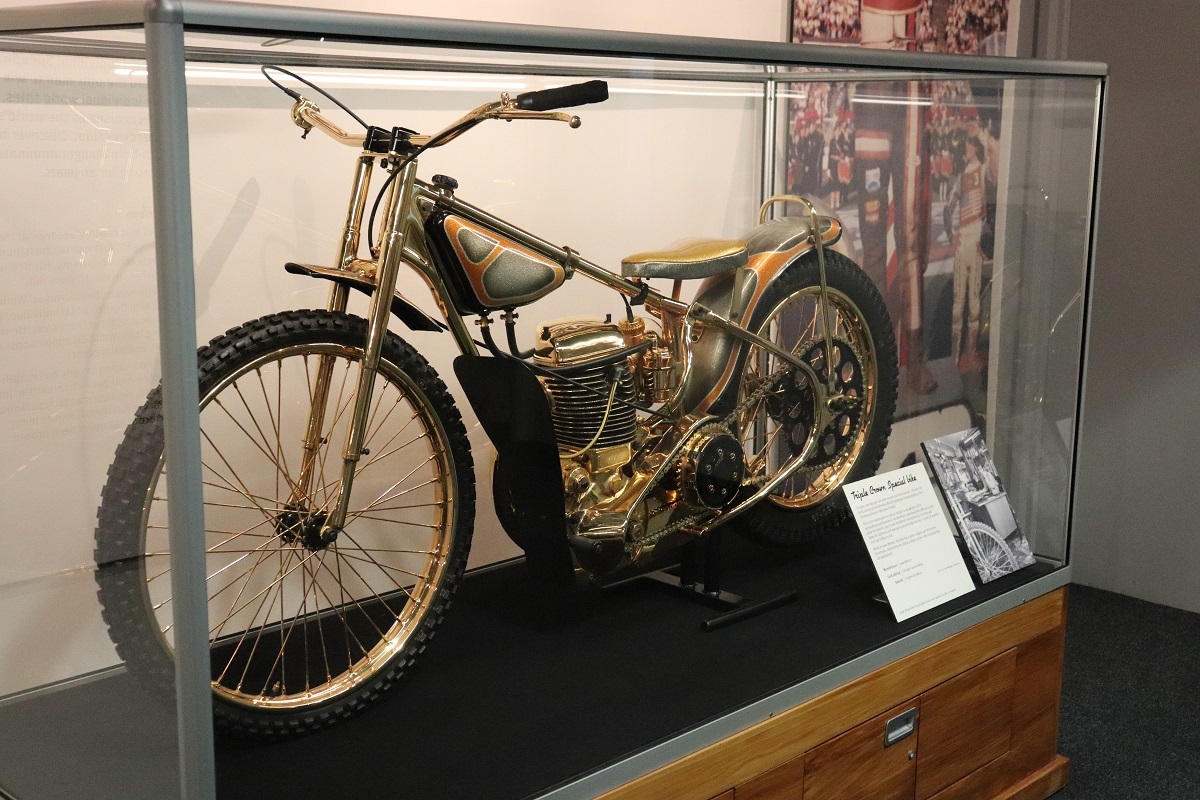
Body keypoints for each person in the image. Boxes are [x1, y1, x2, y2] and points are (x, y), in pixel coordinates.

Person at [944, 135, 987, 373]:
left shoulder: (985, 170)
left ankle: (970, 354)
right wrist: (952, 235)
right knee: (959, 300)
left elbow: (990, 208)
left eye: (971, 145)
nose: (967, 148)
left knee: (974, 300)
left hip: (977, 240)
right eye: (967, 145)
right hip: (964, 242)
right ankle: (954, 356)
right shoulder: (961, 178)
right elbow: (948, 208)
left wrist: (987, 237)